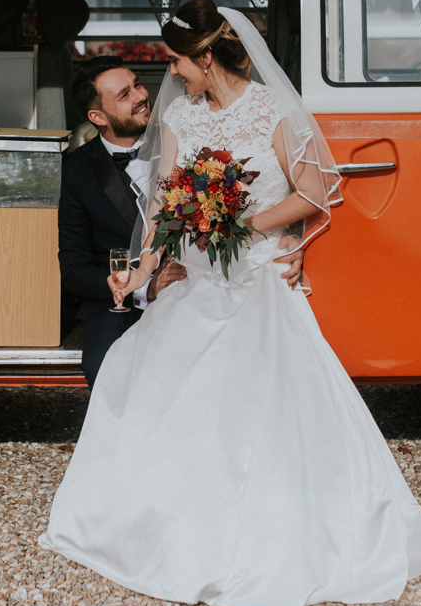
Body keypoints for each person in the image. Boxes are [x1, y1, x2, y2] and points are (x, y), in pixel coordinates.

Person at [40, 0, 421, 606]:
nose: (172, 77)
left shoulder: (272, 111)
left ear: (207, 58)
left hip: (256, 278)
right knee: (166, 395)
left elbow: (317, 190)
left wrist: (251, 224)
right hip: (195, 279)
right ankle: (172, 530)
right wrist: (141, 266)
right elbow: (167, 209)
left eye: (177, 64)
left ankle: (267, 532)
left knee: (261, 406)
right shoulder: (184, 121)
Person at [58, 55, 302, 387]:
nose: (141, 96)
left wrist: (291, 236)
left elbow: (266, 188)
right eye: (124, 95)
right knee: (107, 369)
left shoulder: (184, 132)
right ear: (97, 117)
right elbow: (73, 269)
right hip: (120, 303)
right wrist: (145, 284)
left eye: (138, 85)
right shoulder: (77, 170)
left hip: (196, 279)